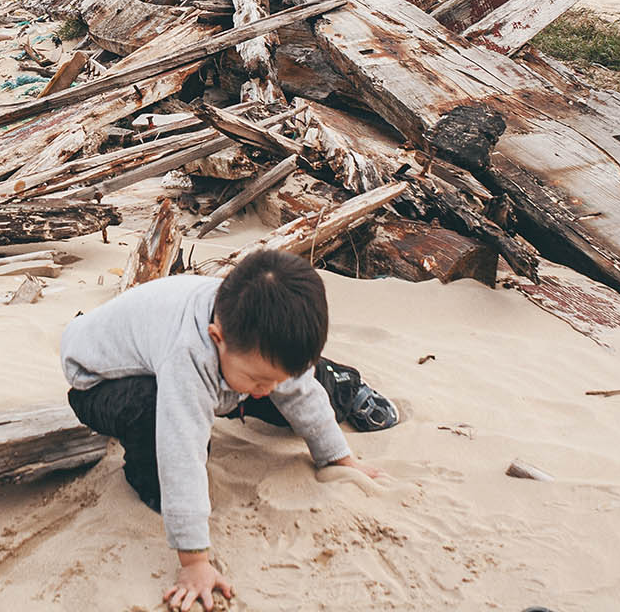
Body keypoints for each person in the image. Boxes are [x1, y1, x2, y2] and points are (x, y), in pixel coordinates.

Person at [61, 250, 398, 611]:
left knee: (286, 374)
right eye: (257, 379)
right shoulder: (189, 354)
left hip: (225, 365)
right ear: (216, 337)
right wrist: (194, 562)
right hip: (101, 383)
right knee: (161, 421)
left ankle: (342, 383)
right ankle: (147, 477)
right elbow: (181, 451)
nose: (266, 388)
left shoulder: (249, 337)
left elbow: (297, 388)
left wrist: (338, 457)